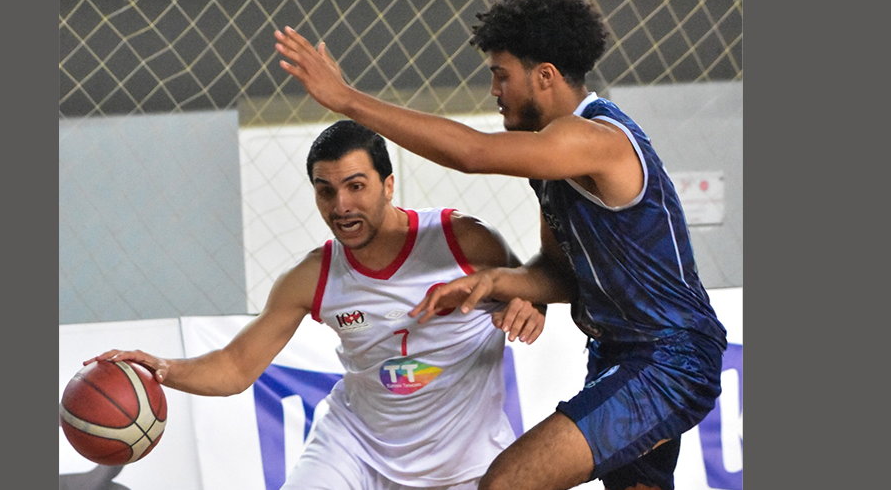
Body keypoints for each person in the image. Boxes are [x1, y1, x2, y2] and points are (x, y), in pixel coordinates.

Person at [273, 0, 729, 490]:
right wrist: (492, 281)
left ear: (545, 76)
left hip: (668, 356)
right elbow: (559, 275)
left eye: (501, 74)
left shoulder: (595, 138)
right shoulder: (553, 164)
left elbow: (473, 153)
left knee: (505, 482)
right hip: (620, 352)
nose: (493, 89)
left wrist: (346, 99)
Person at [86, 120, 573, 490]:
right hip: (354, 450)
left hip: (466, 463)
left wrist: (534, 308)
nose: (341, 206)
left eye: (356, 186)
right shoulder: (313, 276)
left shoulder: (462, 239)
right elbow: (235, 368)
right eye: (326, 191)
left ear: (388, 185)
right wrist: (162, 369)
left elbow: (538, 283)